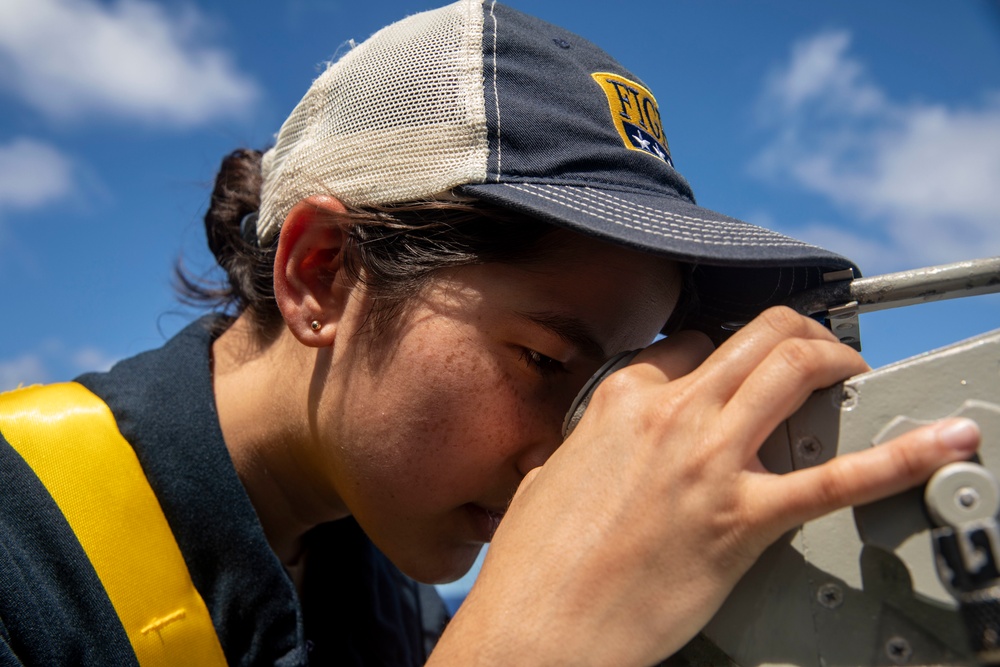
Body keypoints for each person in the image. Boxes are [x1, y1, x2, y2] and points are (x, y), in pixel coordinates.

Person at [0, 1, 981, 665]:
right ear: (321, 272)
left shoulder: (378, 582)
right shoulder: (21, 548)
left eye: (605, 386)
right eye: (545, 362)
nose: (574, 453)